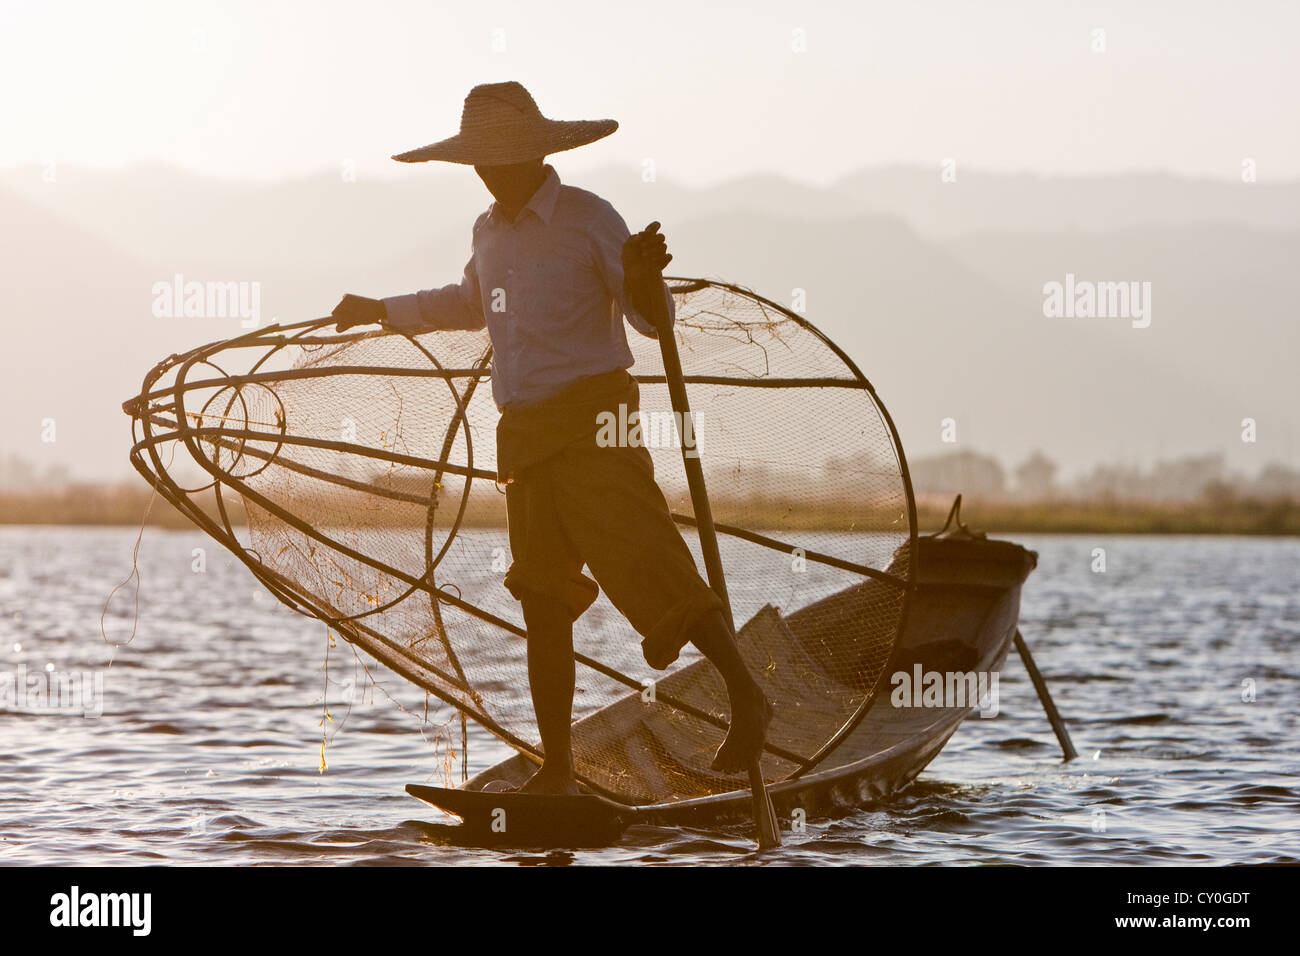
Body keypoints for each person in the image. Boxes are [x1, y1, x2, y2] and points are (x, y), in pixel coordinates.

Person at [332, 82, 770, 795]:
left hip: (598, 420)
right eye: (479, 162)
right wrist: (383, 309)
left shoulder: (589, 219)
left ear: (537, 153)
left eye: (501, 159)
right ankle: (559, 769)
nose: (490, 173)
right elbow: (469, 305)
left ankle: (748, 695)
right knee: (542, 599)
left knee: (648, 562)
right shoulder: (487, 232)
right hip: (528, 438)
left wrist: (640, 276)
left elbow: (653, 323)